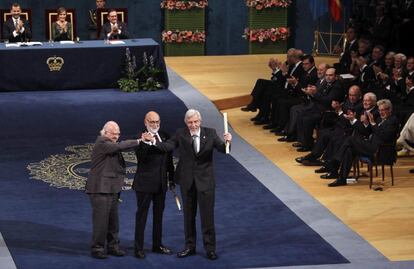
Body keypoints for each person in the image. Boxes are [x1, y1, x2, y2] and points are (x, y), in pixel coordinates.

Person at [146, 109, 232, 260]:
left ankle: (210, 248)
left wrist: (228, 141)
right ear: (186, 122)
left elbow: (223, 149)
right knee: (188, 216)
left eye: (196, 122)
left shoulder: (210, 133)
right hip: (187, 181)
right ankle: (190, 246)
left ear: (200, 121)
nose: (193, 125)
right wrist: (153, 141)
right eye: (190, 122)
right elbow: (168, 146)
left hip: (205, 182)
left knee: (207, 217)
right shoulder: (181, 133)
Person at [86, 121, 141, 259]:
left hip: (111, 189)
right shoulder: (102, 142)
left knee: (113, 221)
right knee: (101, 222)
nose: (116, 136)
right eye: (114, 134)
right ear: (105, 132)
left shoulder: (111, 144)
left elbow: (120, 147)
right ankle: (97, 248)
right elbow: (120, 146)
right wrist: (140, 141)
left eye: (118, 134)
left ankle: (113, 246)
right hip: (100, 189)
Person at [133, 111, 174, 259]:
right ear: (145, 122)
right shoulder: (140, 137)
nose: (155, 125)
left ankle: (157, 245)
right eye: (152, 122)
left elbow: (169, 160)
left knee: (159, 216)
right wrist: (146, 142)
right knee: (142, 216)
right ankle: (138, 248)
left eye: (157, 122)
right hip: (144, 184)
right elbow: (141, 158)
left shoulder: (164, 135)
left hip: (161, 185)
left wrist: (171, 179)